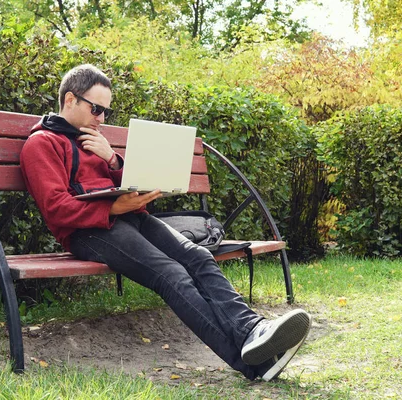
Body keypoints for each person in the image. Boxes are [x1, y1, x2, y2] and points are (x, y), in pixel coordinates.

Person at [20, 64, 312, 381]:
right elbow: (55, 208)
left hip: (130, 216)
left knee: (198, 256)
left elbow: (126, 180)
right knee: (170, 273)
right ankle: (255, 363)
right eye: (96, 109)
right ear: (69, 100)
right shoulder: (42, 144)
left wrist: (113, 160)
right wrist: (114, 207)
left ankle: (254, 329)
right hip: (89, 231)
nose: (102, 118)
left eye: (106, 111)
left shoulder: (93, 139)